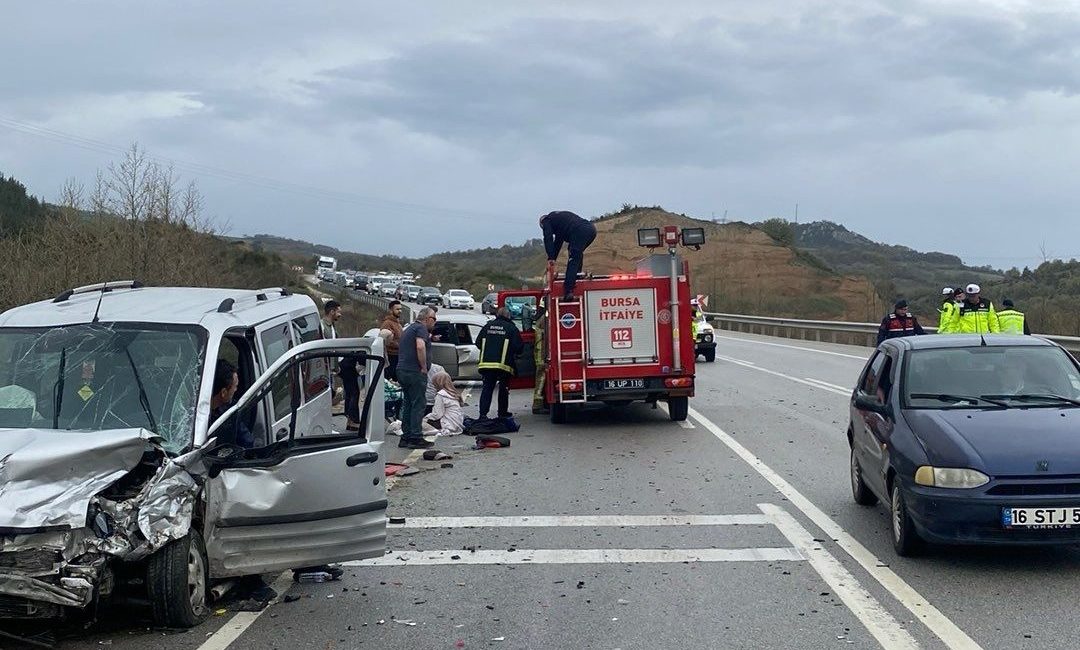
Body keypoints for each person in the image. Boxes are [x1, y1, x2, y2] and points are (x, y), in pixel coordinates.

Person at [396, 307, 437, 449]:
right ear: (426, 319)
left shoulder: (409, 329)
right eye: (434, 319)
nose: (435, 322)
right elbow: (420, 347)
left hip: (402, 370)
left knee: (408, 404)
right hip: (414, 372)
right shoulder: (421, 329)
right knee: (418, 404)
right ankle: (416, 437)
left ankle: (406, 436)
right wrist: (424, 366)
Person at [476, 307, 524, 419]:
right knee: (503, 389)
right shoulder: (511, 328)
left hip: (486, 365)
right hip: (503, 366)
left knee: (487, 388)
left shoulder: (487, 326)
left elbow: (478, 343)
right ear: (508, 316)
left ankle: (483, 415)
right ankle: (502, 413)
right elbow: (518, 347)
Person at [540, 211, 597, 302]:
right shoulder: (559, 221)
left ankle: (568, 291)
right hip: (591, 230)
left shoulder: (546, 221)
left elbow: (548, 238)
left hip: (579, 231)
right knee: (576, 253)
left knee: (573, 258)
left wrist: (550, 258)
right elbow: (558, 242)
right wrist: (553, 257)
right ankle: (577, 276)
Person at [209, 359, 253, 448]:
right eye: (235, 387)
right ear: (224, 392)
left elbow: (247, 441)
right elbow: (248, 442)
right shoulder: (228, 416)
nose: (236, 390)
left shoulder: (230, 412)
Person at [422, 372, 465, 436]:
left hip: (446, 423)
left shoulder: (441, 395)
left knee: (420, 424)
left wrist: (425, 418)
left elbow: (437, 414)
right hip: (457, 424)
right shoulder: (454, 393)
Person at [379, 301, 405, 380]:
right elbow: (385, 340)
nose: (400, 311)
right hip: (390, 356)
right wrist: (399, 345)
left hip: (397, 355)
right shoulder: (387, 323)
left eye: (400, 309)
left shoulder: (398, 323)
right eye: (397, 309)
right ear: (391, 310)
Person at [532, 301, 549, 415]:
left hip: (540, 352)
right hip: (542, 353)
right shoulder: (544, 319)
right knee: (541, 377)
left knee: (541, 377)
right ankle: (537, 405)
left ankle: (540, 402)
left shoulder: (539, 319)